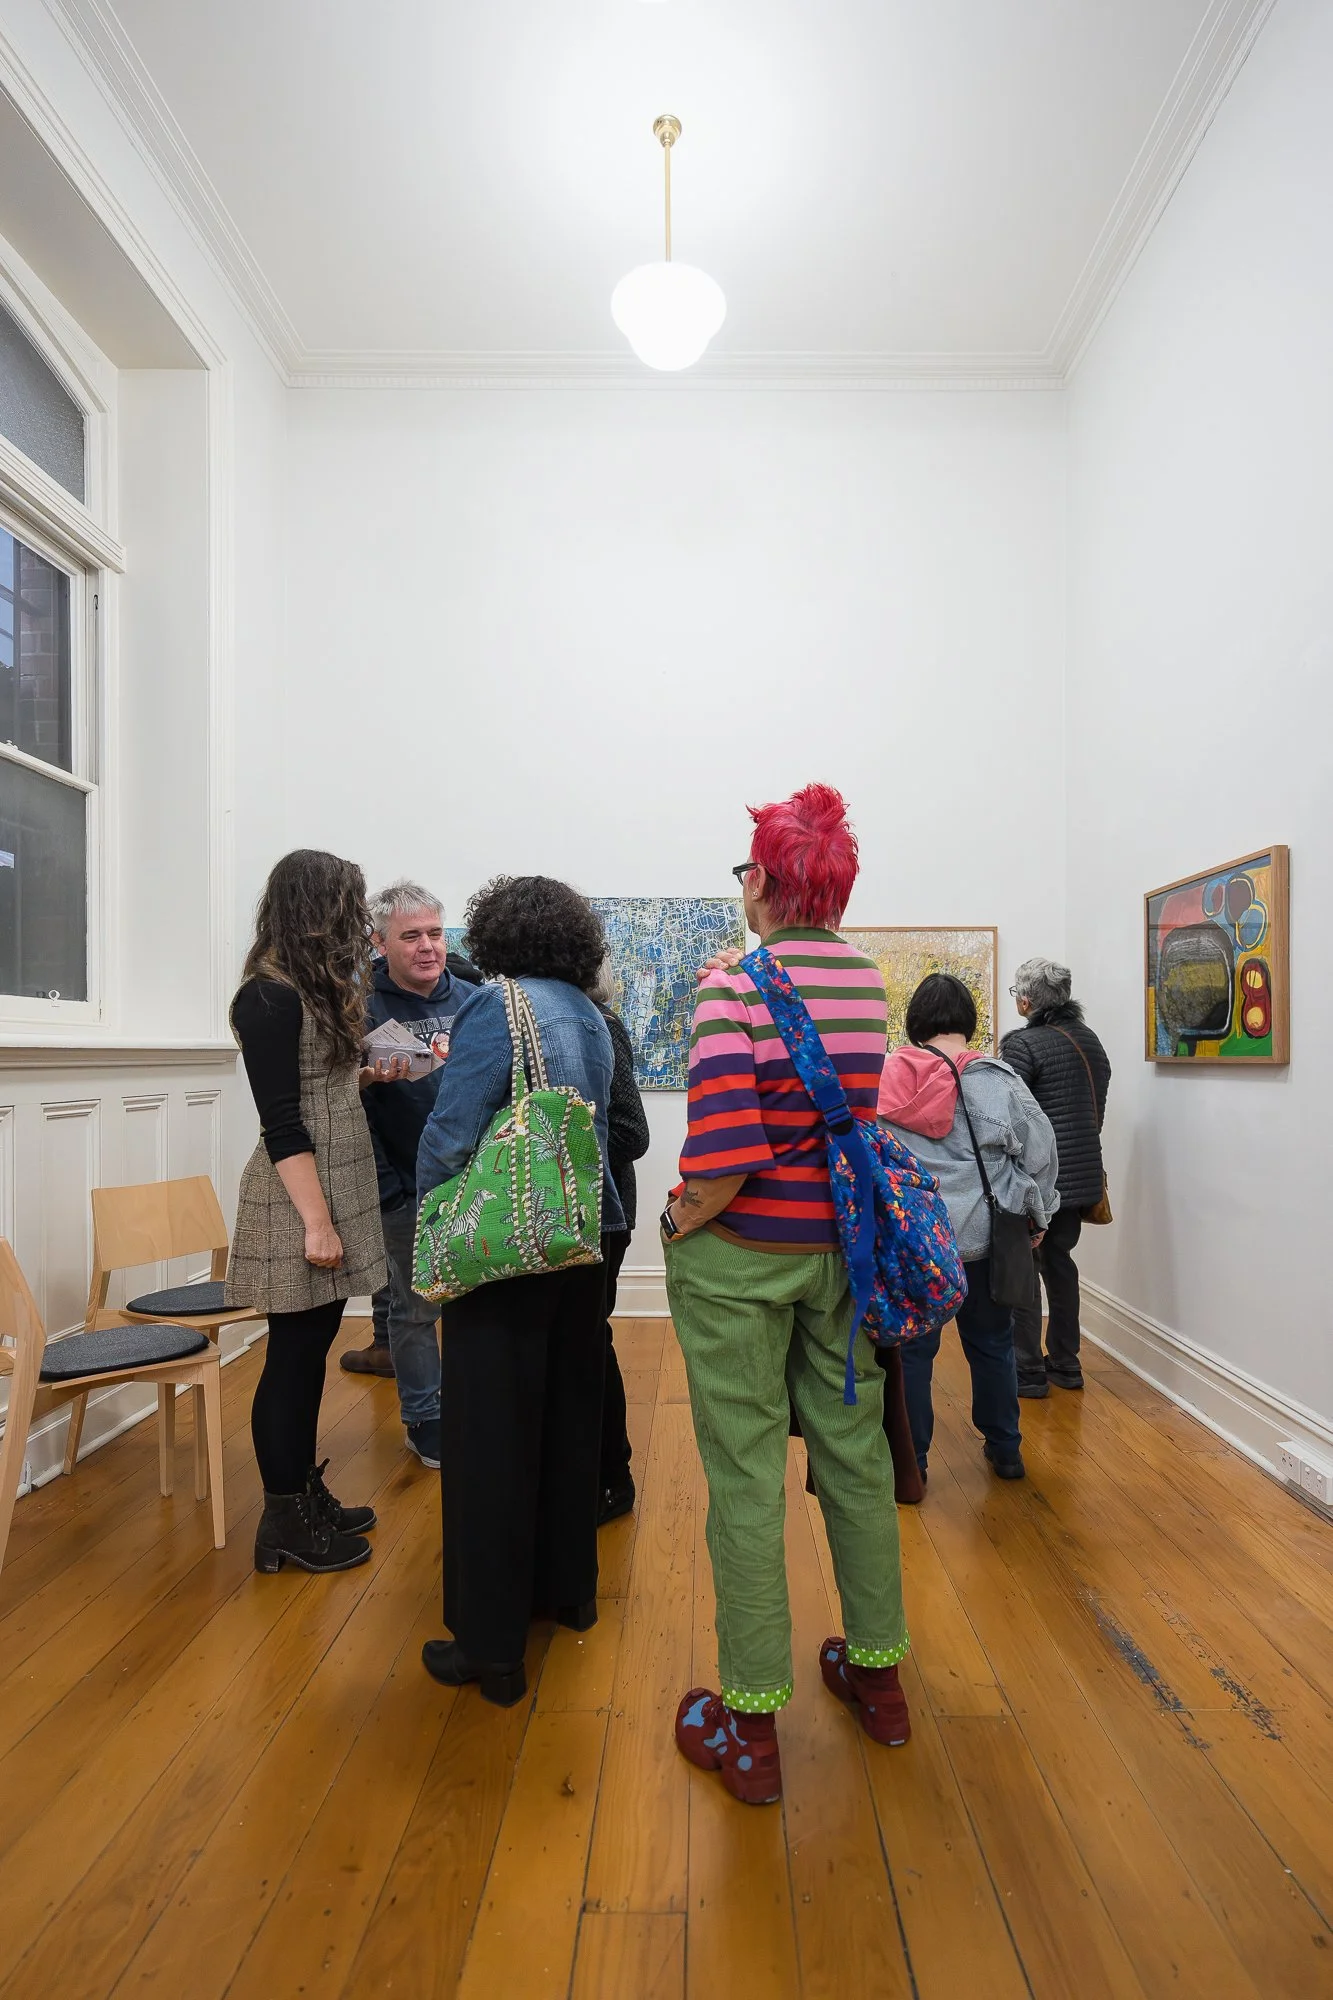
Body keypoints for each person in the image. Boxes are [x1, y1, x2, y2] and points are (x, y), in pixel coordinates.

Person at [666, 783, 909, 1810]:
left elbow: (722, 1157)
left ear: (761, 880)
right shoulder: (868, 984)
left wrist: (678, 1221)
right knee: (854, 1457)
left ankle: (753, 1726)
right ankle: (880, 1678)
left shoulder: (732, 987)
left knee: (744, 1471)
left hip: (740, 1262)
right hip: (839, 1258)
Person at [415, 875, 623, 1706]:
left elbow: (453, 1131)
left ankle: (491, 1649)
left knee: (490, 1441)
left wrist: (434, 1215)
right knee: (568, 1421)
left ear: (496, 934)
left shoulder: (492, 1006)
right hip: (582, 1241)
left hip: (505, 1253)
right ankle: (566, 1592)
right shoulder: (589, 1015)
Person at [226, 849, 388, 1574]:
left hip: (331, 1185)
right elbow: (281, 1122)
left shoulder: (304, 988)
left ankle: (300, 1491)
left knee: (310, 1353)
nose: (354, 919)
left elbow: (314, 1084)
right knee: (290, 1360)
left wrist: (364, 1074)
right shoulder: (266, 997)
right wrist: (317, 1225)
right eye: (346, 904)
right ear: (314, 908)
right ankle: (282, 1521)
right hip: (297, 1198)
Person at [878, 973, 1058, 1486]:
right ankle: (1006, 1451)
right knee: (992, 1344)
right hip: (985, 1239)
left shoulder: (887, 1076)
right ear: (967, 1020)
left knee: (912, 1352)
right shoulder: (998, 1081)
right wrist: (1040, 1212)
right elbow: (1042, 1154)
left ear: (916, 1022)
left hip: (918, 1243)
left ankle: (913, 1462)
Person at [341, 881, 482, 1469]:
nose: (428, 947)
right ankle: (425, 1418)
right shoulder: (358, 1006)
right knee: (416, 1307)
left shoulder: (474, 996)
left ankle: (476, 1409)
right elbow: (348, 1103)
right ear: (379, 943)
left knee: (479, 1303)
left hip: (478, 1181)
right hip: (404, 1182)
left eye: (434, 933)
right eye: (411, 936)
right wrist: (388, 1189)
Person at [1001, 957, 1111, 1397]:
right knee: (1059, 1263)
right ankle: (1066, 1363)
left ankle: (1027, 1370)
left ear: (1026, 1000)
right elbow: (1094, 1112)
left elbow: (1008, 1118)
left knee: (1023, 1268)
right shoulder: (1091, 1040)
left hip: (1037, 1180)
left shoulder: (1022, 1047)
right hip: (1082, 1175)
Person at [586, 955, 651, 1526]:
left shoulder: (603, 1028)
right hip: (566, 1217)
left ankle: (613, 1475)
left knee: (589, 1341)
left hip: (600, 1217)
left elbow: (632, 1134)